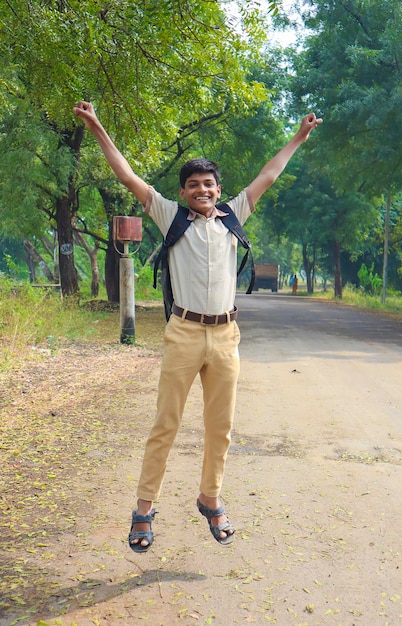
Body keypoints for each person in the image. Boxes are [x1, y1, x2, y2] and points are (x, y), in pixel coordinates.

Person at [73, 101, 322, 552]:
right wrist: (96, 127)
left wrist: (298, 137)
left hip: (226, 336)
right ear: (183, 192)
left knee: (220, 426)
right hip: (184, 333)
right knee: (165, 424)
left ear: (219, 189)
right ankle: (144, 509)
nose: (201, 190)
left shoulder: (233, 216)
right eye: (193, 185)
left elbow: (268, 175)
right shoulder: (171, 217)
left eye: (208, 184)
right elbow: (128, 177)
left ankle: (210, 498)